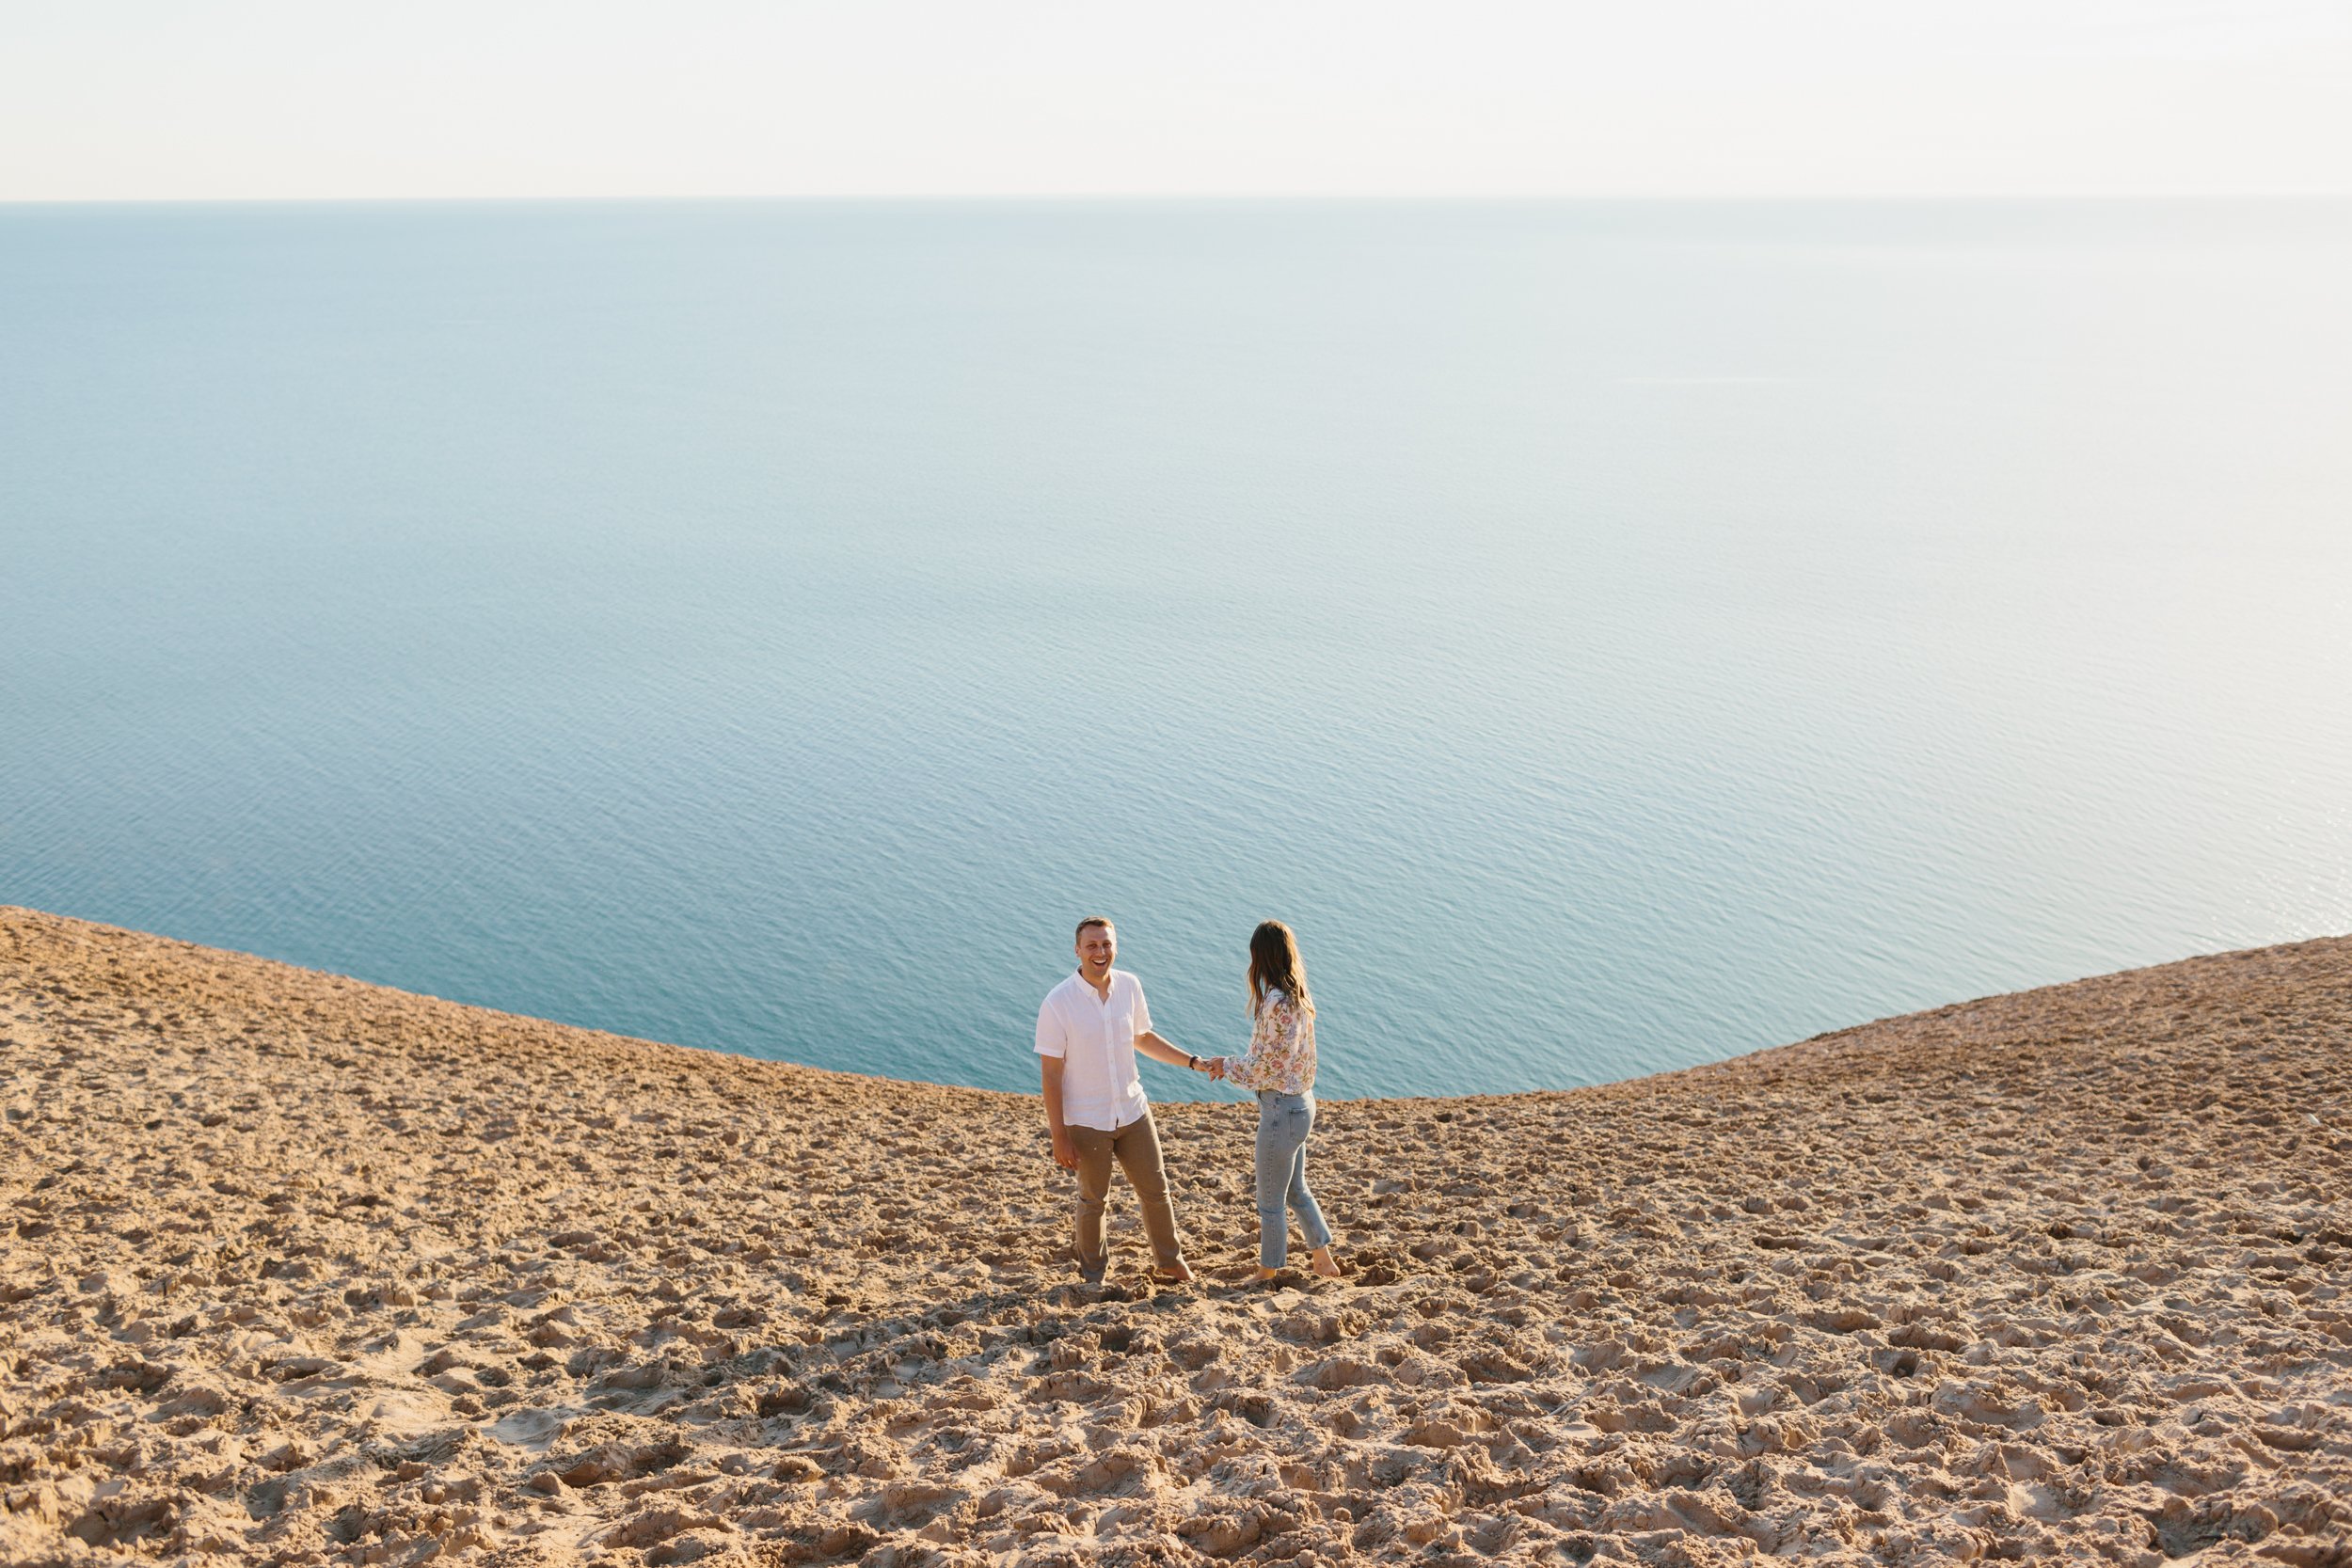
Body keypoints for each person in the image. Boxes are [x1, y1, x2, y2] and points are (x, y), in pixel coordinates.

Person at [1036, 916, 1216, 1285]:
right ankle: (1093, 1275)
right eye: (1092, 946)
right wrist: (1059, 1135)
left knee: (1157, 1190)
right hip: (1086, 1121)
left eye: (1106, 944)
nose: (1100, 952)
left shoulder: (1130, 987)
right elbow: (1051, 1075)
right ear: (1077, 950)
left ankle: (1170, 1262)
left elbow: (1143, 1037)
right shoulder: (1058, 1003)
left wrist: (1192, 1062)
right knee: (1093, 1201)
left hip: (1133, 1112)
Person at [1210, 920, 1342, 1281]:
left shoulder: (1275, 1002)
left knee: (1270, 1200)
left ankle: (1267, 1272)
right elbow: (1284, 1062)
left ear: (1260, 958)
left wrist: (1226, 1066)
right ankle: (1323, 1260)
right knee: (1296, 1190)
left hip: (1281, 1110)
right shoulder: (1299, 997)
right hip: (1302, 1104)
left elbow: (1267, 1068)